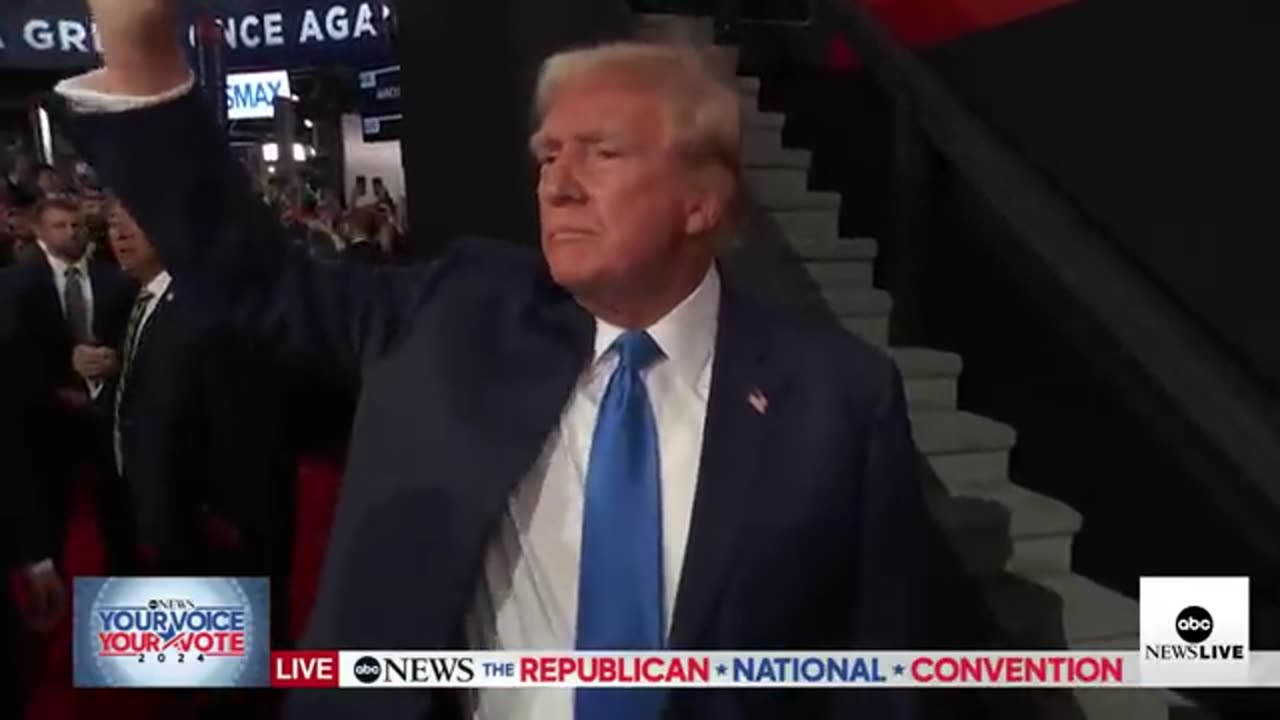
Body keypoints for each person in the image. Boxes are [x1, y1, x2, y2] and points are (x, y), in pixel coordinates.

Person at [58, 4, 935, 718]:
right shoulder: (459, 308)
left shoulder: (839, 399)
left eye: (602, 151)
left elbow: (880, 675)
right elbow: (254, 277)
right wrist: (141, 60)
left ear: (702, 201)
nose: (557, 181)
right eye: (548, 155)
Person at [2, 194, 134, 615]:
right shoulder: (12, 285)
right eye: (59, 226)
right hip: (44, 425)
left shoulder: (116, 279)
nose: (70, 233)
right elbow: (13, 359)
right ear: (39, 231)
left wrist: (116, 362)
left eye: (76, 225)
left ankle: (125, 610)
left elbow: (132, 340)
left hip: (108, 417)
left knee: (119, 521)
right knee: (50, 520)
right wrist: (60, 379)